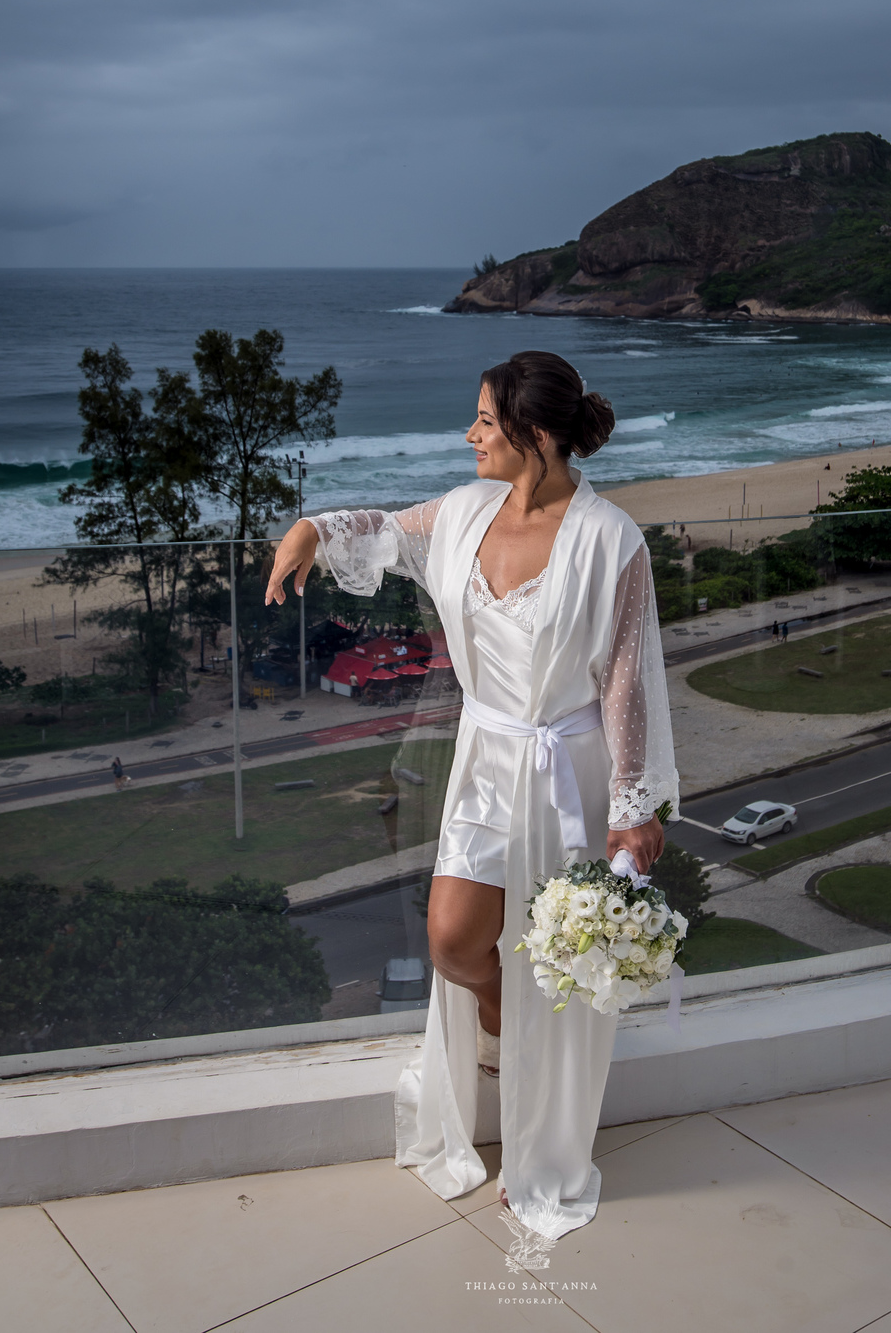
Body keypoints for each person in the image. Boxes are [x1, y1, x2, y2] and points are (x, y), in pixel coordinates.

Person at [266, 351, 677, 1242]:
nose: (470, 435)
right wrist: (312, 528)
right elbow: (386, 530)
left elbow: (625, 680)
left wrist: (631, 806)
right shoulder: (463, 511)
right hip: (484, 759)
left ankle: (544, 1151)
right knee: (454, 937)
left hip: (568, 771)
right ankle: (497, 1025)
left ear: (536, 433)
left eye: (485, 421)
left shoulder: (612, 541)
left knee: (560, 958)